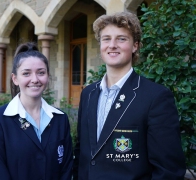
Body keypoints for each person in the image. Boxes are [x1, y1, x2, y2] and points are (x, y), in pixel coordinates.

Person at [73, 12, 186, 180]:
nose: (112, 45)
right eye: (106, 39)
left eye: (121, 39)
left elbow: (168, 171)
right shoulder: (88, 93)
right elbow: (82, 152)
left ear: (135, 46)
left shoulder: (156, 97)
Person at [0, 42, 73, 180]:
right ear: (15, 79)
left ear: (47, 77)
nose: (35, 79)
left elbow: (66, 168)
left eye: (41, 73)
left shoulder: (60, 119)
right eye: (26, 73)